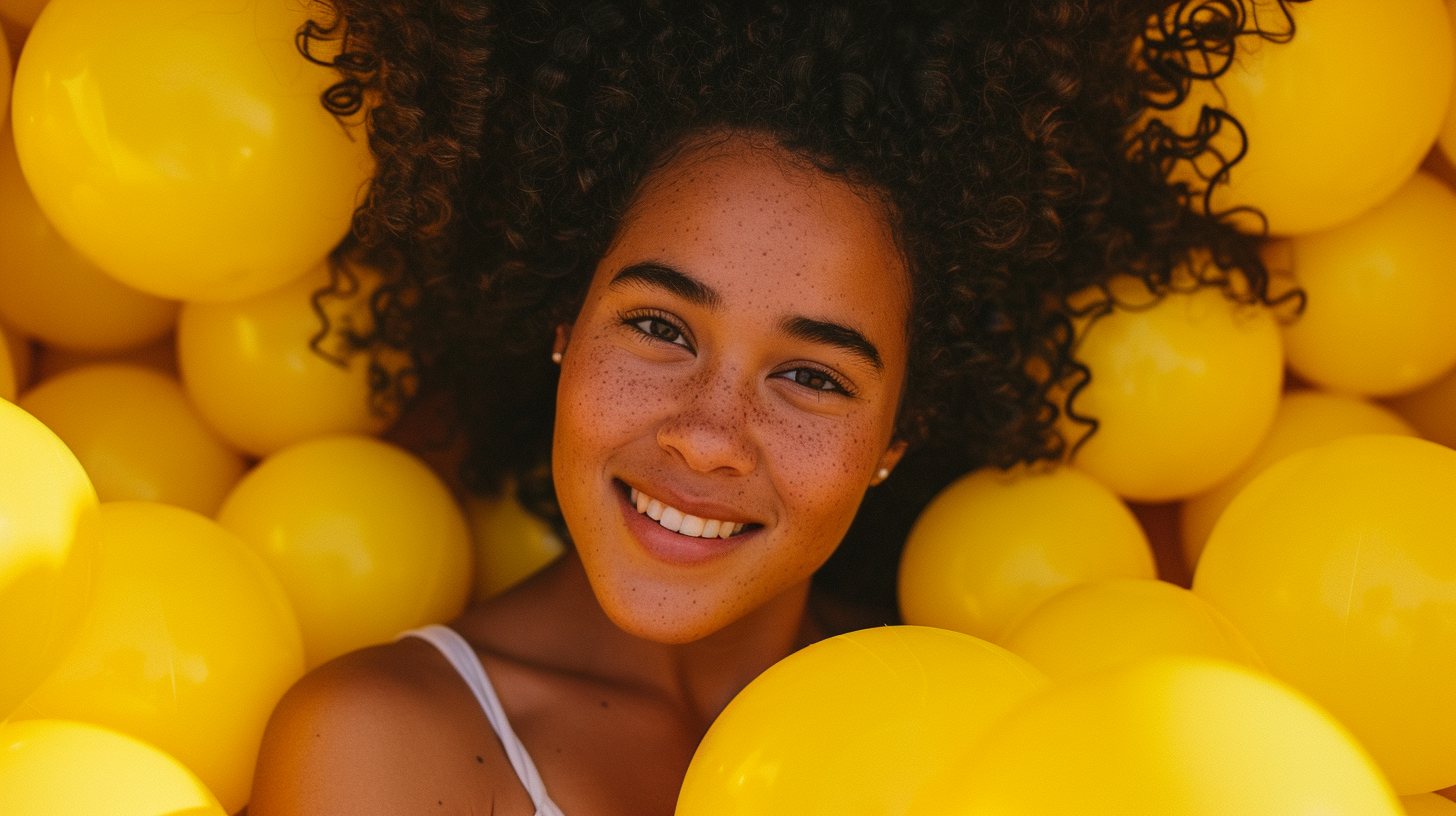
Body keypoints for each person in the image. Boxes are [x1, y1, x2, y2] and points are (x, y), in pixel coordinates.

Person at [249, 1, 1279, 813]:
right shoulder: (379, 742)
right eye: (658, 327)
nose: (705, 434)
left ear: (897, 437)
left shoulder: (966, 726)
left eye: (814, 377)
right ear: (564, 325)